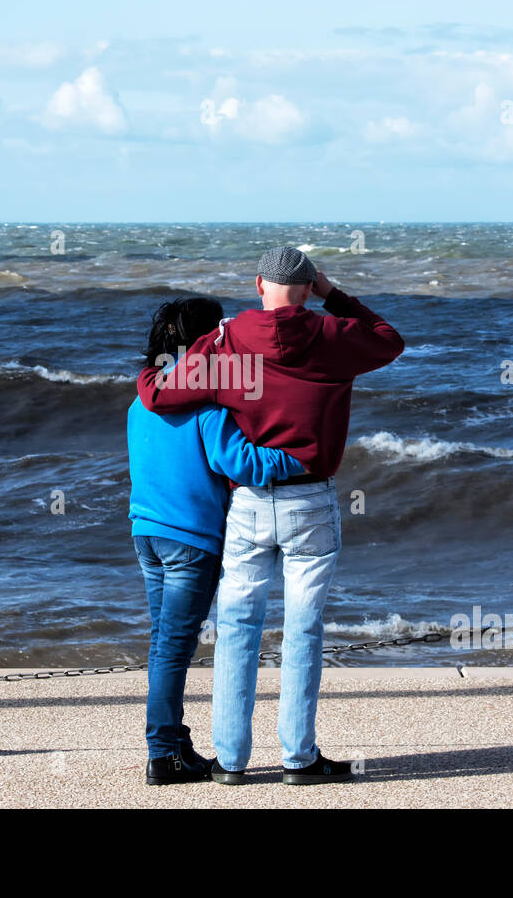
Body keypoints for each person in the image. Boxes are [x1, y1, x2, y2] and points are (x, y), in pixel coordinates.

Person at [137, 247, 404, 785]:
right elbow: (388, 339)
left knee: (237, 627)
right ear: (307, 288)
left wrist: (166, 365)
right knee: (303, 629)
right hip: (311, 499)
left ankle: (231, 762)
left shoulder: (228, 342)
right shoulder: (333, 339)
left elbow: (159, 395)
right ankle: (298, 760)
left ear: (259, 284)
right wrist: (335, 296)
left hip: (251, 501)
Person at [127, 296, 306, 785]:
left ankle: (173, 745)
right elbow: (240, 462)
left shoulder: (141, 400)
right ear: (210, 338)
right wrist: (302, 457)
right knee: (173, 648)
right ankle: (163, 753)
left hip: (146, 534)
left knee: (165, 644)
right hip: (190, 541)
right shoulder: (203, 401)